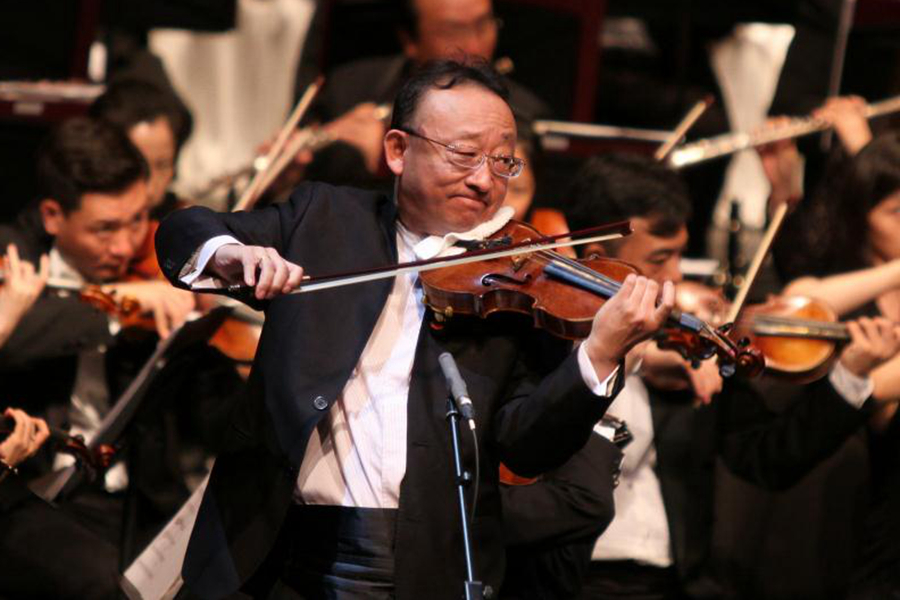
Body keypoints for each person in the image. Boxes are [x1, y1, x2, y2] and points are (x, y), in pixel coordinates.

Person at [155, 60, 675, 599]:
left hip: (425, 565)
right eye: (464, 154)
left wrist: (600, 354)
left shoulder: (516, 286)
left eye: (502, 162)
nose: (484, 180)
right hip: (278, 551)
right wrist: (231, 254)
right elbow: (185, 228)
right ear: (398, 150)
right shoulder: (324, 218)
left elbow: (527, 447)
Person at [563, 153, 900, 599]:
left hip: (675, 583)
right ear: (598, 259)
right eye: (660, 259)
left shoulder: (696, 347)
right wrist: (633, 357)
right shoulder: (545, 346)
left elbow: (770, 460)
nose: (677, 276)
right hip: (569, 580)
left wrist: (852, 374)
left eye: (681, 254)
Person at [775, 127, 900, 599]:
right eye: (897, 212)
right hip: (853, 521)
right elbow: (791, 310)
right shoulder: (841, 296)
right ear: (859, 217)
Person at [295, 0, 549, 190]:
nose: (474, 46)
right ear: (409, 40)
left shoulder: (524, 113)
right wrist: (297, 168)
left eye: (483, 25)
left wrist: (387, 162)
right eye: (453, 31)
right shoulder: (349, 87)